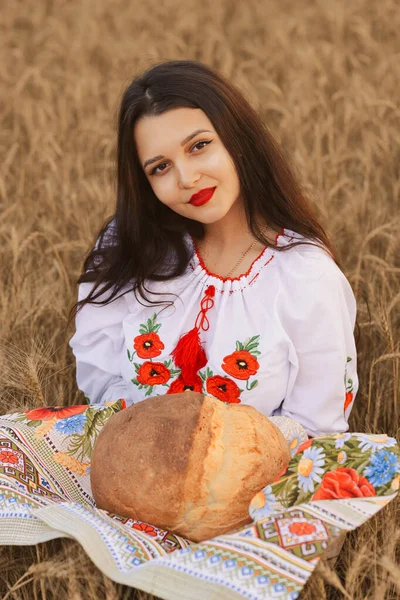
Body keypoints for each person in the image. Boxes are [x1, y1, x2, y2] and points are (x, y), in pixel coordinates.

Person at [68, 59, 358, 439]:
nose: (187, 178)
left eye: (199, 146)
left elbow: (316, 429)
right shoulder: (129, 247)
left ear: (237, 138)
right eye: (160, 167)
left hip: (256, 490)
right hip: (135, 469)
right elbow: (103, 383)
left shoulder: (306, 276)